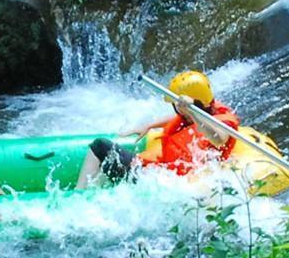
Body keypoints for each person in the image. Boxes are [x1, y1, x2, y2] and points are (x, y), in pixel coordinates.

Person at [75, 71, 240, 189]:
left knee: (100, 146)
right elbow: (183, 120)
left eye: (179, 106)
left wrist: (192, 113)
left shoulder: (222, 123)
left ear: (194, 107)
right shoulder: (205, 108)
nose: (177, 109)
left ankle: (79, 195)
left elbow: (219, 138)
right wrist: (149, 126)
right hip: (164, 175)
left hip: (162, 183)